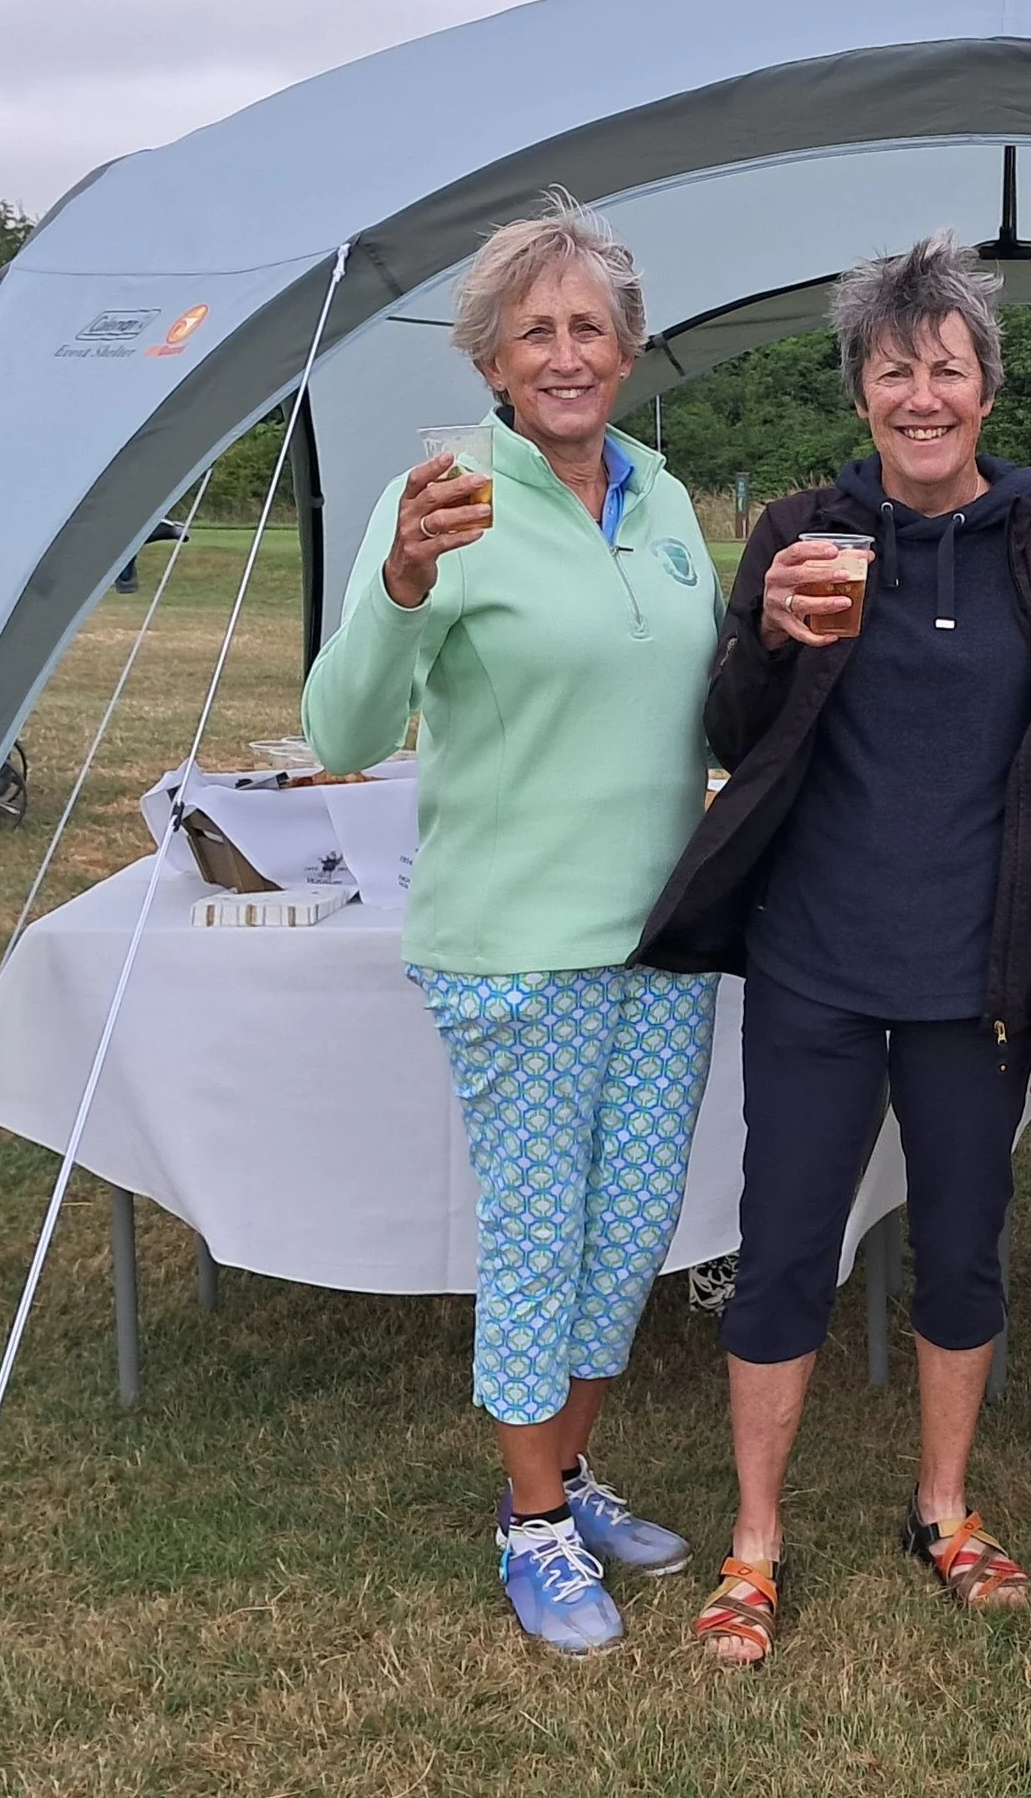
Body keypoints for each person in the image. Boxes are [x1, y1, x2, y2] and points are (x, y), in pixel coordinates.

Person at [639, 233, 1031, 1668]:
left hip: (978, 982)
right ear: (861, 390)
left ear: (988, 387)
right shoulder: (800, 531)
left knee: (965, 1251)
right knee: (784, 1248)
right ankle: (754, 1542)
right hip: (818, 968)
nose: (923, 395)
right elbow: (728, 735)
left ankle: (944, 1508)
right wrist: (774, 638)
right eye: (894, 369)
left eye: (949, 368)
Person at [302, 193, 719, 1656]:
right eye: (533, 330)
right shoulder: (444, 498)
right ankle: (531, 1522)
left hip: (663, 944)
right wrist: (408, 583)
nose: (564, 352)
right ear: (489, 361)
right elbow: (342, 725)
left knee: (628, 1237)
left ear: (628, 351)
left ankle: (571, 1472)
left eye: (589, 327)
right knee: (544, 1239)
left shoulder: (662, 499)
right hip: (515, 951)